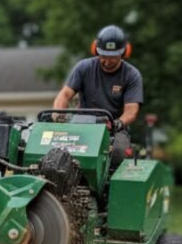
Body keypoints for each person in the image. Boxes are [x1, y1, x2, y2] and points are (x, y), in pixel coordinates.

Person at [52, 25, 143, 166]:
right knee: (58, 152)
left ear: (124, 52)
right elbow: (64, 95)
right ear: (96, 50)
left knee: (118, 154)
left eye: (112, 57)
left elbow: (131, 111)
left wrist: (117, 123)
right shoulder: (84, 67)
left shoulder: (131, 75)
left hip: (114, 129)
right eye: (103, 56)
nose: (107, 61)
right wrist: (58, 114)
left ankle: (110, 186)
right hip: (82, 123)